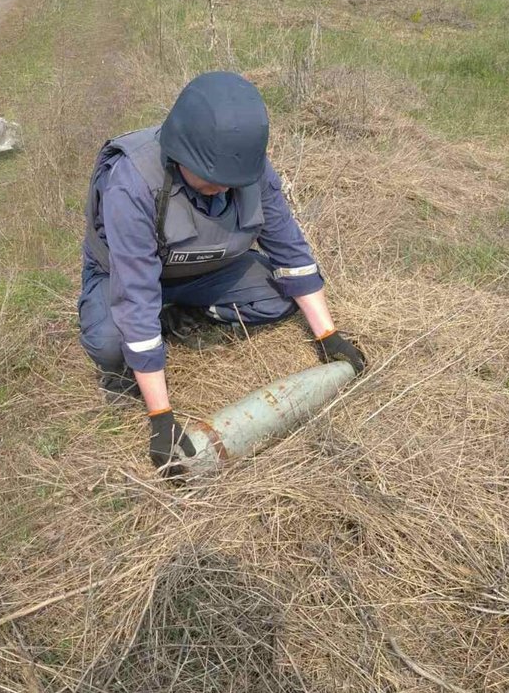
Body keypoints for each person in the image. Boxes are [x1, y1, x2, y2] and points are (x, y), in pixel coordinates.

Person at [78, 71, 365, 478]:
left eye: (232, 182)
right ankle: (153, 335)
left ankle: (180, 312)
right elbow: (136, 292)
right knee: (111, 343)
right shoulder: (132, 184)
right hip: (127, 276)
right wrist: (161, 418)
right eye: (212, 180)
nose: (223, 188)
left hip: (203, 270)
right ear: (181, 154)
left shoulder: (245, 166)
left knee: (279, 298)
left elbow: (289, 249)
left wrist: (327, 334)